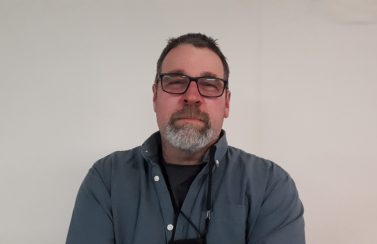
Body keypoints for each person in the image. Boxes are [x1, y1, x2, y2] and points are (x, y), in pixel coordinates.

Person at [66, 33, 305, 244]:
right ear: (155, 96)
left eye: (209, 84)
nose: (192, 96)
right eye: (176, 82)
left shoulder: (270, 186)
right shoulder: (107, 180)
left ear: (227, 103)